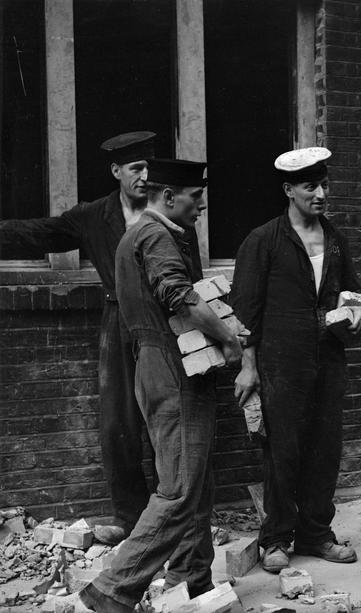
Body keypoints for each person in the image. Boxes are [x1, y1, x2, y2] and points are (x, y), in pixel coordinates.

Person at [0, 132, 197, 545]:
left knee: (171, 418)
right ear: (116, 172)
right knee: (118, 424)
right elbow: (41, 232)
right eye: (134, 169)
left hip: (165, 323)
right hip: (117, 320)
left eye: (148, 167)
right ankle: (132, 520)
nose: (144, 176)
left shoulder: (170, 210)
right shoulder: (94, 216)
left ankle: (177, 518)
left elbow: (188, 275)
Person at [78, 158, 242, 612]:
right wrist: (229, 340)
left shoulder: (139, 234)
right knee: (180, 490)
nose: (202, 206)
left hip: (157, 363)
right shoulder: (156, 234)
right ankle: (113, 587)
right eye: (196, 198)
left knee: (194, 478)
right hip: (171, 366)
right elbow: (179, 297)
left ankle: (191, 578)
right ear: (168, 197)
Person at [230, 146, 361, 573]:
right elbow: (245, 312)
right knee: (282, 450)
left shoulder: (334, 239)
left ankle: (315, 534)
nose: (321, 194)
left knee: (325, 448)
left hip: (328, 360)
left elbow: (356, 292)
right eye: (311, 186)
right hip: (280, 361)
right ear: (289, 189)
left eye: (324, 185)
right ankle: (275, 538)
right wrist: (249, 365)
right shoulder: (263, 240)